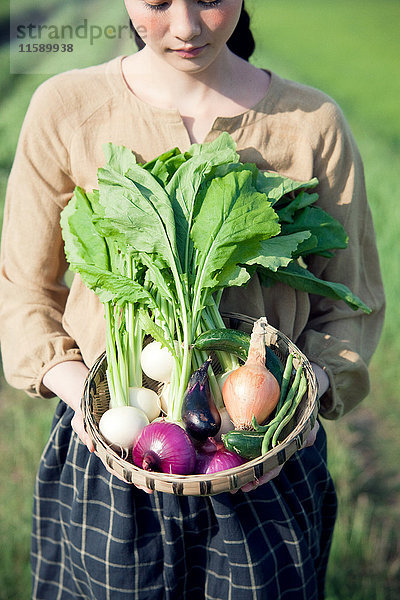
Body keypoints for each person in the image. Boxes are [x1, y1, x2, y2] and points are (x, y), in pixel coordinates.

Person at [0, 1, 385, 599]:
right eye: (157, 3)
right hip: (111, 458)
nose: (185, 26)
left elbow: (350, 300)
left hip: (260, 455)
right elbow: (22, 287)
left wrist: (310, 394)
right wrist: (94, 403)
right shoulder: (66, 107)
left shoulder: (311, 123)